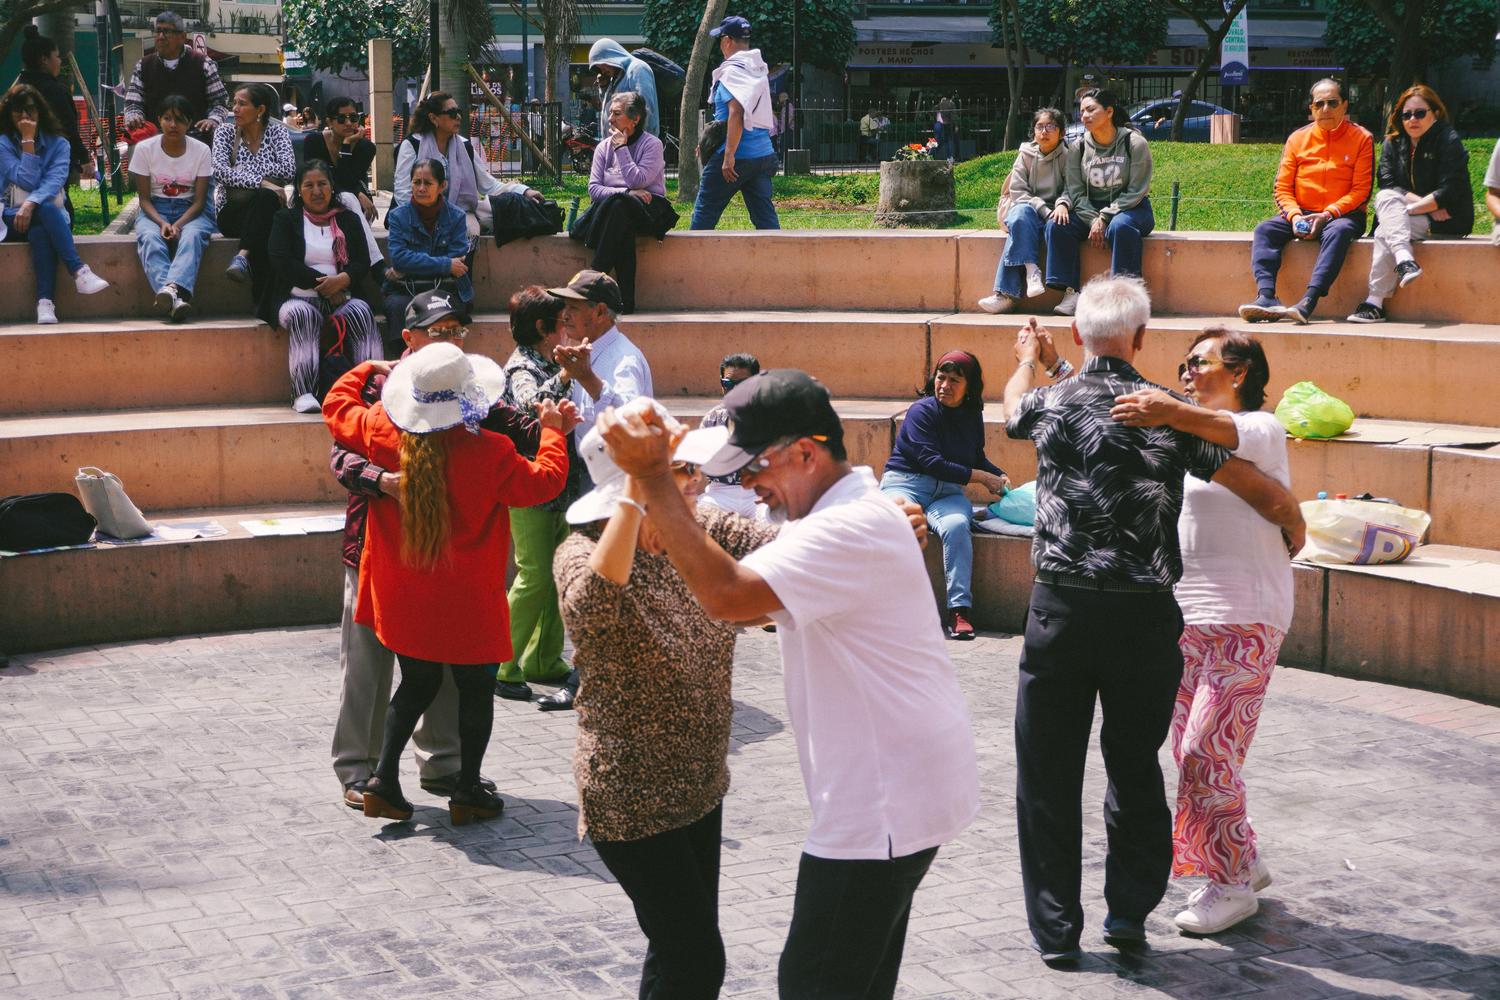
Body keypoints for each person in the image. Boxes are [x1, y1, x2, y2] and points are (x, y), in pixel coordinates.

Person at [596, 369, 979, 1000]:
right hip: (905, 788)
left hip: (882, 803)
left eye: (753, 467)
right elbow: (752, 599)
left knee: (814, 982)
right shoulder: (835, 514)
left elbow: (727, 596)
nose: (746, 486)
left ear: (806, 452)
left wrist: (655, 478)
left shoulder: (845, 526)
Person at [999, 276, 1304, 963]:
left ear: (1077, 333)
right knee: (1135, 767)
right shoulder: (1165, 412)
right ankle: (1128, 915)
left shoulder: (1051, 401)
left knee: (1046, 771)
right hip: (1143, 617)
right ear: (1139, 337)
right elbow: (1252, 486)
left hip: (1061, 609)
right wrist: (1293, 519)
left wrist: (1026, 360)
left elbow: (1013, 407)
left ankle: (1056, 929)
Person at [554, 399, 781, 998]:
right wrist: (641, 488)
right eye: (681, 471)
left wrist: (875, 521)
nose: (697, 481)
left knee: (675, 954)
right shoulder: (580, 549)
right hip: (631, 798)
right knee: (696, 959)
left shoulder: (700, 527)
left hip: (700, 784)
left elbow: (783, 545)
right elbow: (589, 611)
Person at [323, 342, 572, 824]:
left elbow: (336, 407)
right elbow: (545, 481)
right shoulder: (491, 451)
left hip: (406, 596)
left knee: (416, 685)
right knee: (475, 690)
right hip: (469, 600)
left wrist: (367, 367)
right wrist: (552, 432)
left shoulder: (380, 430)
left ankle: (383, 781)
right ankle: (466, 789)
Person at [1109, 328, 1296, 935]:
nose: (1187, 372)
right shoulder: (1186, 440)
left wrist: (1166, 407)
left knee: (1205, 753)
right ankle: (1242, 857)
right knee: (1192, 756)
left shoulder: (1262, 428)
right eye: (1183, 364)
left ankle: (1232, 884)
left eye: (1201, 362)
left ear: (1239, 372)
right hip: (1186, 619)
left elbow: (1213, 427)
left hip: (1247, 617)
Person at [534, 270, 653, 713]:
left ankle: (587, 680)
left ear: (600, 312)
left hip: (618, 488)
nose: (564, 314)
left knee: (601, 585)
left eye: (574, 307)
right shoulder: (590, 354)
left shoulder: (622, 359)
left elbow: (636, 419)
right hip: (596, 484)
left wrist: (588, 380)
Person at [881, 351, 1009, 642]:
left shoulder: (972, 414)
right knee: (897, 520)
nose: (945, 386)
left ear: (969, 386)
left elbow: (975, 457)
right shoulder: (921, 411)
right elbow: (932, 462)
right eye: (941, 377)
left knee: (956, 526)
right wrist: (982, 477)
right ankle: (888, 607)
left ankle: (959, 610)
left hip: (948, 493)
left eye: (954, 380)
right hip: (907, 484)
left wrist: (997, 475)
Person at [495, 287, 581, 702]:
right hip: (529, 486)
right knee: (533, 575)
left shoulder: (547, 360)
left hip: (557, 483)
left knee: (554, 575)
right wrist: (564, 377)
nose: (568, 327)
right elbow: (533, 403)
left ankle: (543, 660)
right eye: (563, 321)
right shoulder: (521, 368)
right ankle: (501, 663)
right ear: (544, 328)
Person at [1238, 78, 1373, 325]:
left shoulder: (1362, 138)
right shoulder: (1297, 139)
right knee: (1265, 230)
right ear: (1311, 108)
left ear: (1345, 105)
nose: (1325, 109)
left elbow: (1361, 191)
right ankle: (1266, 297)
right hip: (1301, 212)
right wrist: (1295, 216)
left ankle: (1308, 301)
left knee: (1339, 231)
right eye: (1319, 104)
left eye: (1332, 103)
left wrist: (1327, 214)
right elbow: (1282, 188)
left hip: (1342, 216)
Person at [262, 159, 381, 413]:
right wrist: (325, 286)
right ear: (299, 189)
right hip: (295, 298)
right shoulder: (285, 219)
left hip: (343, 295)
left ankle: (372, 388)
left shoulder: (348, 219)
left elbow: (362, 261)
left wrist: (342, 281)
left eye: (322, 184)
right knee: (303, 315)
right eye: (309, 185)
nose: (316, 191)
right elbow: (281, 260)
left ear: (332, 186)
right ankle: (303, 392)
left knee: (362, 312)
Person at [1347, 85, 1473, 323]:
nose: (1412, 119)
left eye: (1420, 113)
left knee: (1386, 227)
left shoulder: (1449, 140)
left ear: (1435, 113)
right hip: (1417, 214)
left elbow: (1451, 190)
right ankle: (1404, 260)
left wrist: (1412, 209)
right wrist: (1425, 206)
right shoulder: (1393, 143)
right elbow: (1387, 183)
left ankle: (1375, 301)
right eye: (1407, 115)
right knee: (1385, 199)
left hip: (1448, 219)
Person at [0, 84, 110, 325]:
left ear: (40, 111)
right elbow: (26, 180)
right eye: (18, 110)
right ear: (9, 114)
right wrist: (27, 141)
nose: (25, 116)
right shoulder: (3, 145)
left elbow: (55, 181)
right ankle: (79, 271)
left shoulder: (60, 144)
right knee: (46, 209)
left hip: (47, 217)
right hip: (8, 217)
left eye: (30, 109)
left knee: (40, 230)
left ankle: (45, 304)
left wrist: (30, 203)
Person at [1045, 89, 1153, 317]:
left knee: (1121, 227)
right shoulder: (1078, 147)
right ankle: (1071, 292)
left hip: (1132, 208)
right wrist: (1094, 218)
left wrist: (1105, 217)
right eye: (1081, 110)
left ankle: (1125, 298)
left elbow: (1137, 190)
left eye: (1091, 109)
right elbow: (1075, 190)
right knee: (1058, 225)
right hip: (1090, 209)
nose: (1084, 115)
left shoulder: (1134, 143)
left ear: (1109, 111)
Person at [571, 91, 677, 315]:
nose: (610, 119)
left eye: (617, 114)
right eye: (610, 113)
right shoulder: (603, 147)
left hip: (649, 209)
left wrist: (621, 149)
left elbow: (639, 180)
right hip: (615, 211)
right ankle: (625, 301)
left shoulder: (652, 145)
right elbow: (594, 189)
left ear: (635, 118)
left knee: (620, 208)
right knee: (620, 212)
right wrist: (627, 192)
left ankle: (594, 276)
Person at [392, 91, 543, 238]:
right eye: (452, 113)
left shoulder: (464, 146)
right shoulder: (412, 145)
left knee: (471, 229)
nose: (458, 117)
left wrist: (524, 191)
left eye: (459, 112)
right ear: (433, 118)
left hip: (459, 211)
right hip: (419, 212)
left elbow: (489, 185)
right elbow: (402, 192)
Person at [689, 16, 780, 232]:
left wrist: (729, 155)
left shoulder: (732, 71)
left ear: (727, 40)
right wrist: (708, 141)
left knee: (704, 215)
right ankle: (779, 253)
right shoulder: (757, 69)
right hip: (762, 155)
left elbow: (736, 113)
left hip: (735, 156)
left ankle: (693, 254)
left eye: (720, 39)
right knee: (766, 219)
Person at [130, 94, 214, 322]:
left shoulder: (202, 150)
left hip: (191, 211)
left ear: (189, 122)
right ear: (159, 120)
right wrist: (162, 223)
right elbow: (144, 200)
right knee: (149, 238)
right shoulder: (144, 149)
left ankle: (171, 291)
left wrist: (177, 224)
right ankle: (175, 300)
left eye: (179, 119)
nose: (173, 125)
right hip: (155, 210)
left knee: (192, 236)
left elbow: (199, 202)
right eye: (167, 118)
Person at [980, 108, 1069, 314]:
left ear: (1062, 133)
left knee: (1018, 230)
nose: (1044, 132)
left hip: (1055, 213)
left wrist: (1060, 205)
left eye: (1050, 126)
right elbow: (1018, 191)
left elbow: (1072, 188)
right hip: (1028, 208)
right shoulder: (1025, 154)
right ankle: (1032, 270)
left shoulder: (1069, 156)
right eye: (1039, 127)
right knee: (1020, 216)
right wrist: (1041, 208)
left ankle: (1005, 295)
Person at [382, 159, 470, 356]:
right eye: (416, 182)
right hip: (406, 289)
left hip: (446, 288)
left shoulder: (457, 216)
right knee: (397, 307)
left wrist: (410, 266)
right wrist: (445, 264)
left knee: (446, 312)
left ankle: (446, 361)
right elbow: (399, 258)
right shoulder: (397, 216)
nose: (421, 188)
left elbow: (458, 258)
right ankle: (405, 363)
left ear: (442, 186)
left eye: (428, 183)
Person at [213, 83, 294, 296]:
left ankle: (243, 256)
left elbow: (288, 170)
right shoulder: (225, 132)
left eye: (242, 104)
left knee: (265, 210)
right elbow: (220, 172)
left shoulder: (277, 132)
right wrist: (263, 182)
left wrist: (241, 171)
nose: (235, 109)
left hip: (268, 210)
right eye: (234, 103)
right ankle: (267, 301)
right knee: (267, 201)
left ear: (260, 109)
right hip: (232, 213)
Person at [302, 97, 382, 278]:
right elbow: (317, 178)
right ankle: (378, 266)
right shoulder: (314, 141)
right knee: (347, 197)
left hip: (355, 206)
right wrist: (356, 193)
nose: (348, 123)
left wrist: (346, 145)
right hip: (320, 200)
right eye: (341, 119)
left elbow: (348, 178)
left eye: (353, 118)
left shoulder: (366, 147)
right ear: (329, 122)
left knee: (348, 198)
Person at [122, 11, 229, 142]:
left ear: (182, 36)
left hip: (196, 142)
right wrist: (134, 116)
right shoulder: (143, 66)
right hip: (155, 144)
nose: (161, 37)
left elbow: (220, 103)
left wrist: (213, 120)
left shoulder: (204, 64)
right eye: (158, 31)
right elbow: (133, 103)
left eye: (167, 31)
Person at [18, 26, 91, 207]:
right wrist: (84, 158)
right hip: (51, 164)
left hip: (19, 164)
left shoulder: (15, 92)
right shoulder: (55, 91)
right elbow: (68, 129)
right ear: (44, 59)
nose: (59, 61)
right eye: (57, 56)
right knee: (56, 206)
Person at [697, 353, 764, 521]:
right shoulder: (712, 418)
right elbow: (697, 464)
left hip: (758, 492)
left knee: (774, 520)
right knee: (699, 515)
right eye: (728, 384)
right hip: (720, 492)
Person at [587, 38, 659, 137]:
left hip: (634, 144)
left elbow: (646, 110)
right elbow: (608, 107)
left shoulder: (637, 69)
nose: (603, 71)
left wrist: (641, 144)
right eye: (600, 69)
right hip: (618, 144)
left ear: (612, 56)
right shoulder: (616, 76)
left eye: (603, 65)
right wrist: (604, 87)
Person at [774, 91, 795, 162]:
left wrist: (786, 125)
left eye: (780, 97)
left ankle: (786, 161)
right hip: (784, 130)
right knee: (783, 146)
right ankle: (784, 161)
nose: (779, 99)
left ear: (784, 98)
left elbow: (790, 117)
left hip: (788, 129)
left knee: (786, 146)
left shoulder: (789, 106)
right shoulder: (784, 107)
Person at [935, 94, 957, 162]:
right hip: (947, 124)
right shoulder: (951, 104)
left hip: (939, 124)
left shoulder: (940, 104)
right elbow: (953, 116)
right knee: (947, 141)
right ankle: (949, 157)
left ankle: (931, 154)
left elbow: (934, 110)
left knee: (939, 141)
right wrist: (955, 125)